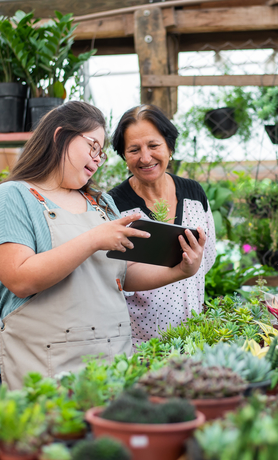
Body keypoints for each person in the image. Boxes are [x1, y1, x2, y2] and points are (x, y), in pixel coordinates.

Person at [0, 101, 205, 392]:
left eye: (101, 152)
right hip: (43, 370)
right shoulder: (12, 197)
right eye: (92, 146)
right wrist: (94, 239)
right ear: (60, 136)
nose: (98, 160)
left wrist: (181, 270)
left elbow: (122, 274)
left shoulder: (101, 203)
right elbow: (21, 278)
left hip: (111, 365)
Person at [109, 104, 216, 348]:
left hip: (196, 339)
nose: (145, 158)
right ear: (124, 156)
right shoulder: (114, 207)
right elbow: (115, 277)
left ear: (169, 146)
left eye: (154, 146)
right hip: (141, 345)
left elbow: (206, 259)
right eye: (134, 150)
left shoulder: (194, 194)